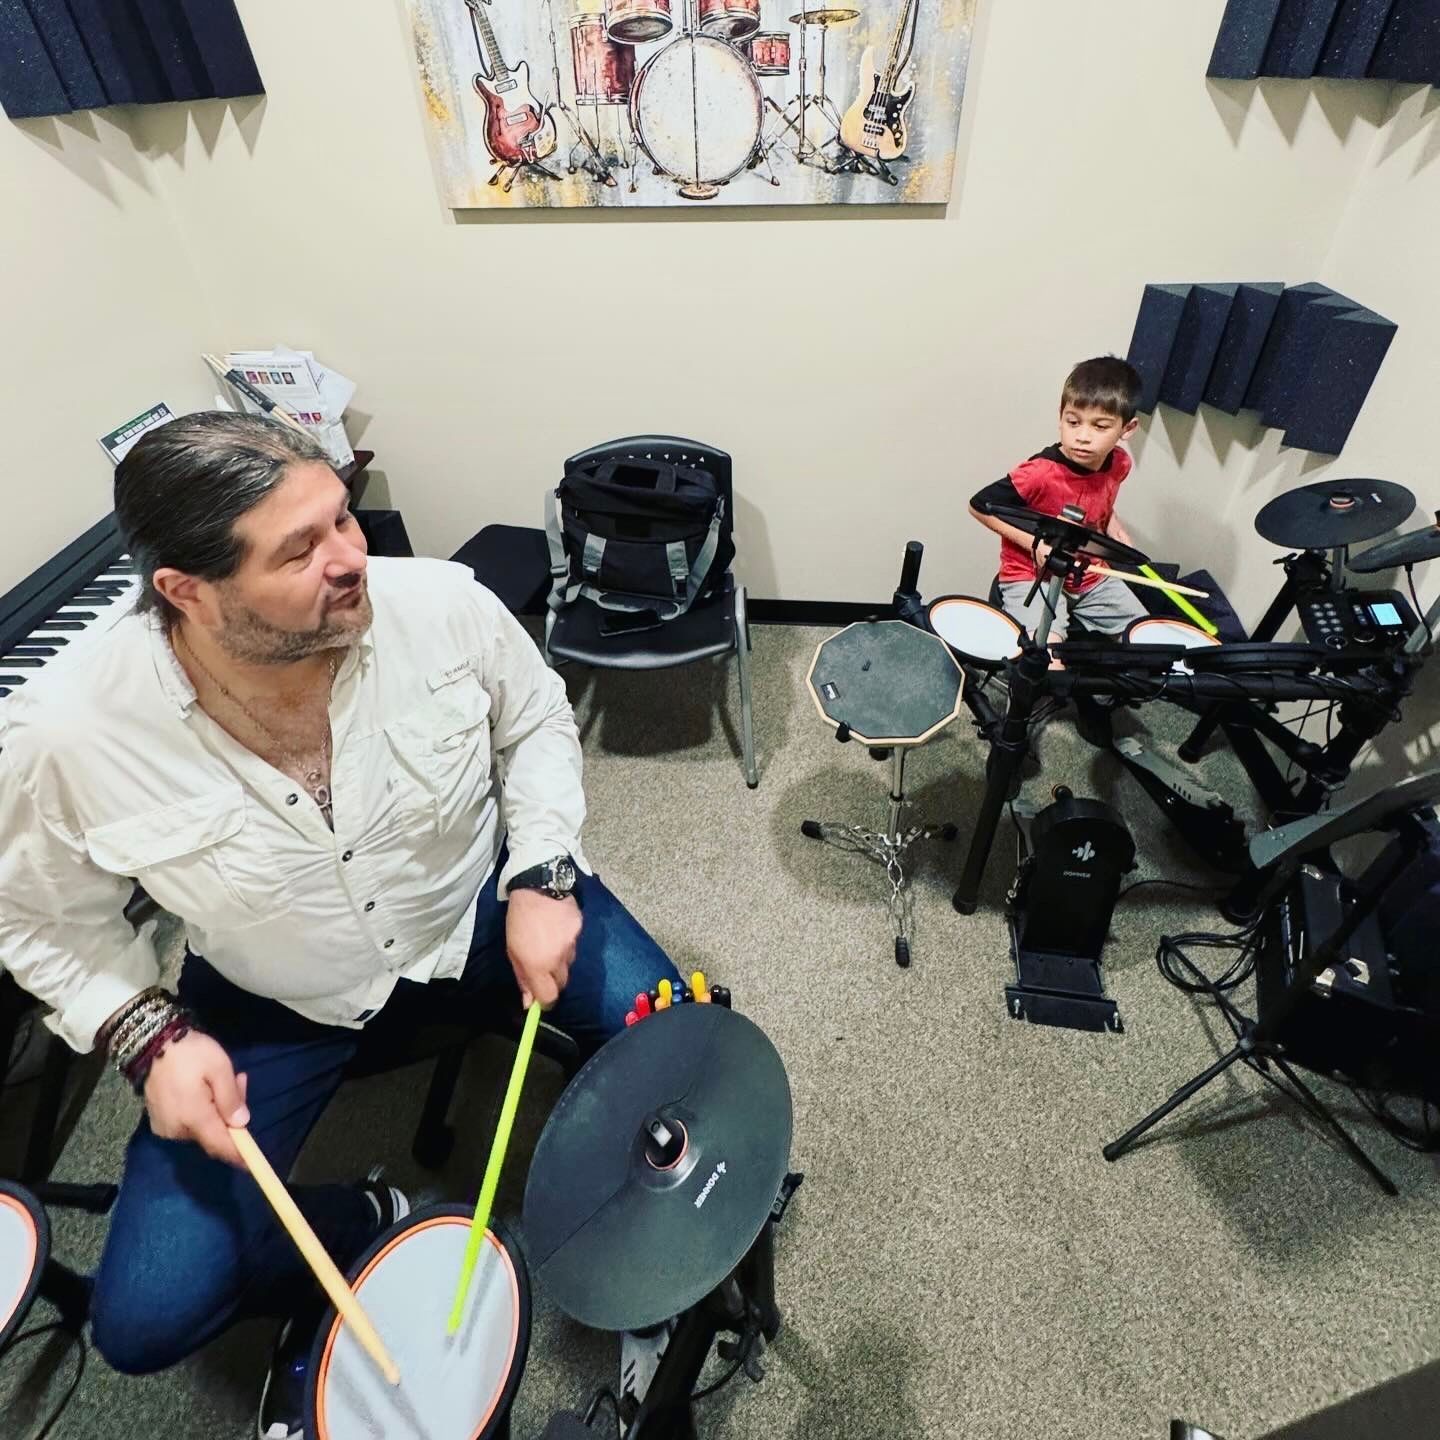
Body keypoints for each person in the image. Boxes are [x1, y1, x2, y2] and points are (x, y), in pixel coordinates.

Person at [0, 411, 681, 1439]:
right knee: (143, 1318)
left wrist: (545, 870)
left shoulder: (440, 603)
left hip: (480, 908)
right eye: (299, 550)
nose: (351, 557)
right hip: (275, 996)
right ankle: (372, 1219)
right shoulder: (65, 734)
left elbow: (537, 717)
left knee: (691, 1055)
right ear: (186, 591)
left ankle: (647, 1272)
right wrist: (144, 1033)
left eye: (343, 519)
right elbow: (40, 918)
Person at [970, 355, 1149, 645]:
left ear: (1127, 429)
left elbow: (1097, 496)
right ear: (1060, 417)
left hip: (1088, 574)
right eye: (1073, 422)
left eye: (1100, 426)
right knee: (1046, 656)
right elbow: (979, 506)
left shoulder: (1119, 464)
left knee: (1148, 639)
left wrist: (1112, 524)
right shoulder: (1040, 473)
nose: (1083, 436)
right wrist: (1037, 545)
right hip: (1031, 575)